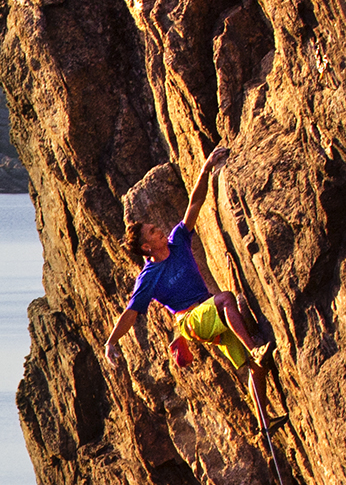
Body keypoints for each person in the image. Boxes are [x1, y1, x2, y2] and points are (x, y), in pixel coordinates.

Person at [102, 141, 272, 421]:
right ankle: (256, 350)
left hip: (212, 314)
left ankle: (264, 421)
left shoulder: (178, 241)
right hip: (191, 321)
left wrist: (205, 169)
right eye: (154, 231)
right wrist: (111, 342)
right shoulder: (149, 277)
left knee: (253, 366)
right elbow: (131, 313)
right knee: (227, 299)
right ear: (147, 247)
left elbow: (195, 204)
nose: (161, 230)